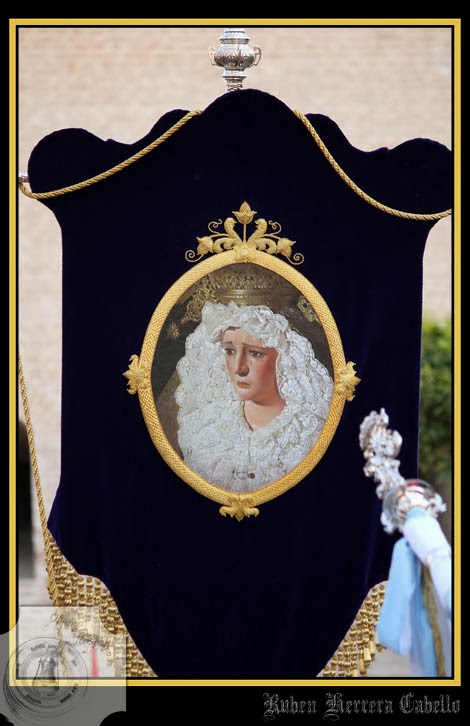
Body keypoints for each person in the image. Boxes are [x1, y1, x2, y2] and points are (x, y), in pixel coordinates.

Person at [175, 301, 333, 492]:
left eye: (255, 353)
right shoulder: (206, 426)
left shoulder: (309, 431)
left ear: (283, 358)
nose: (238, 368)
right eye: (229, 351)